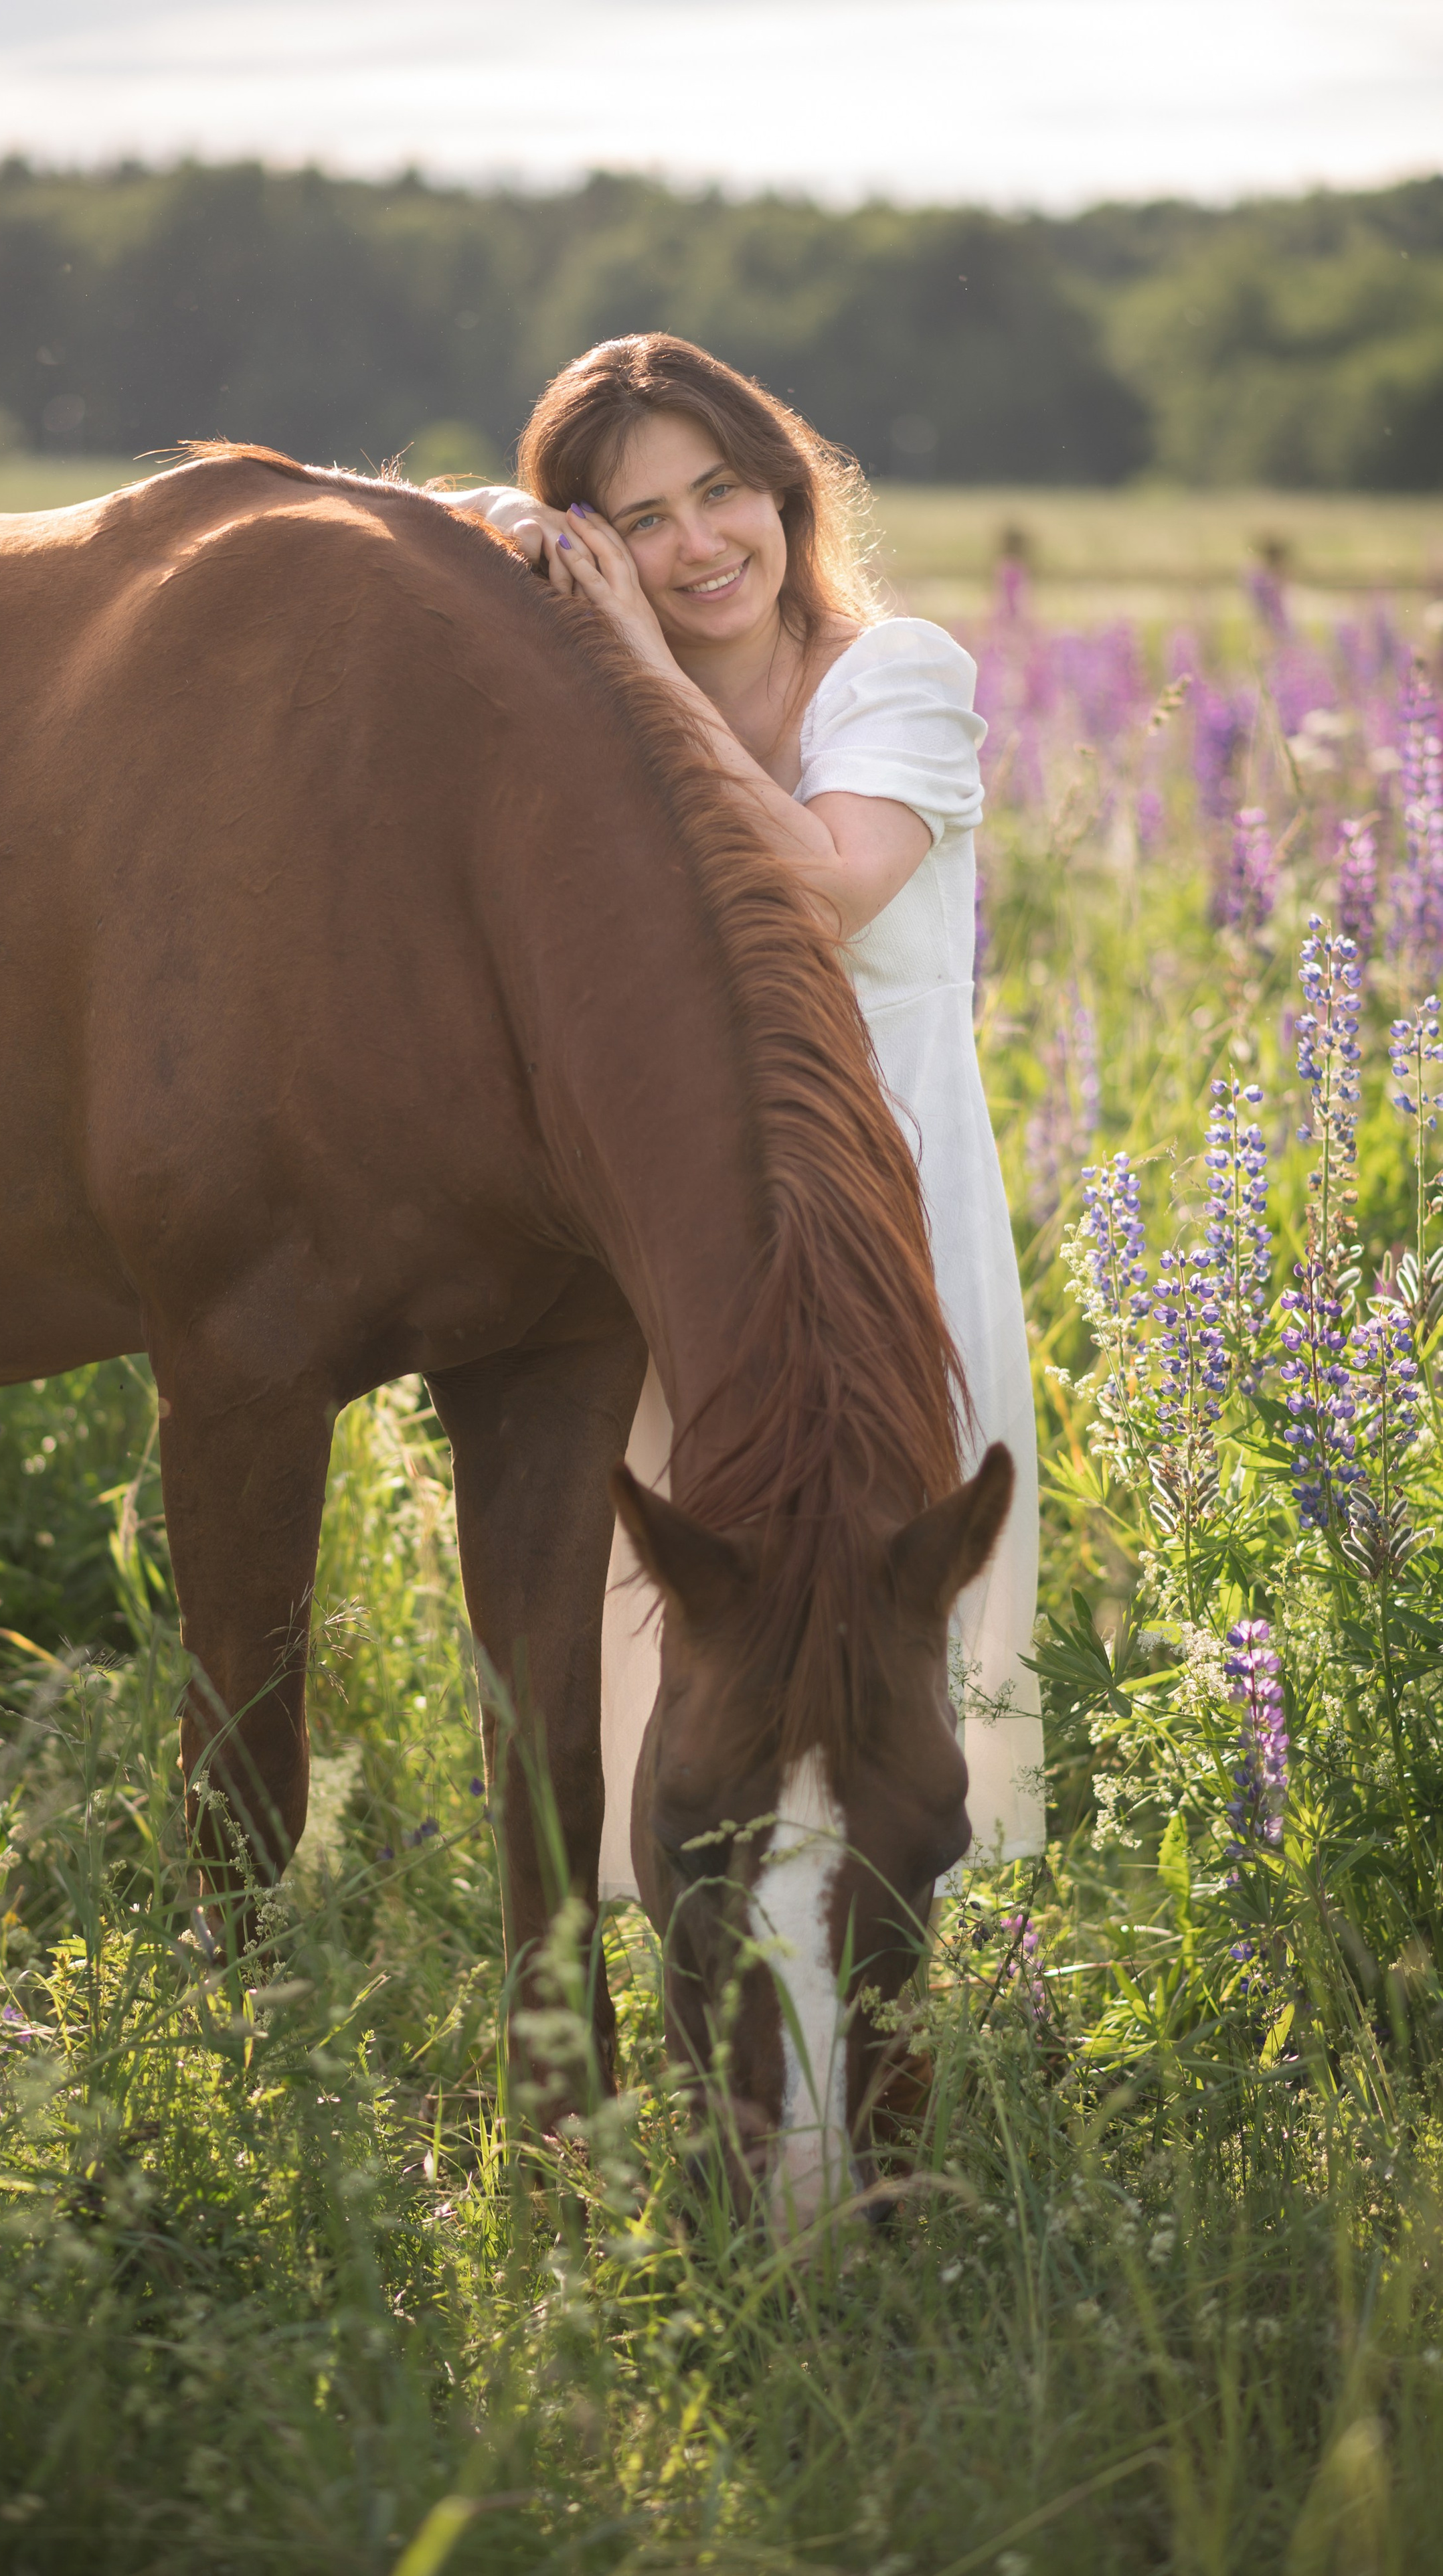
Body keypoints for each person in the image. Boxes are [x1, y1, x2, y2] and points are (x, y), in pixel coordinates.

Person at [439, 334, 1043, 1898]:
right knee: (708, 1584)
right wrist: (483, 531)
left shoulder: (889, 673)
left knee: (892, 1574)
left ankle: (887, 1958)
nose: (696, 543)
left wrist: (636, 664)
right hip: (699, 1212)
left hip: (885, 1187)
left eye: (720, 492)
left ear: (784, 491)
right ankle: (717, 1944)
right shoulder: (587, 710)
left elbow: (828, 884)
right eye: (637, 520)